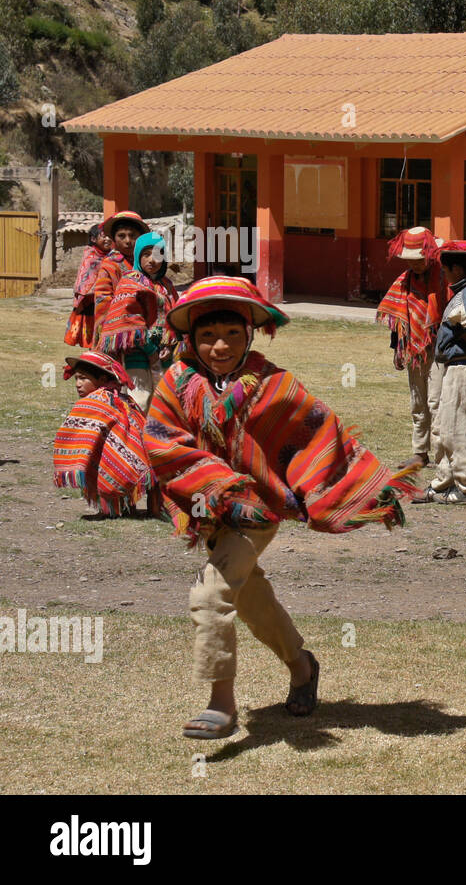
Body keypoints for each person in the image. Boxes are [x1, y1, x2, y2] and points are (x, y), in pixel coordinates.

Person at [143, 276, 417, 739]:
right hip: (210, 510)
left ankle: (220, 704)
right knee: (250, 598)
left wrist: (360, 486)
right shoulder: (176, 382)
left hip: (257, 510)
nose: (220, 346)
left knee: (209, 595)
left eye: (232, 334)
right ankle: (302, 665)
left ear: (249, 335)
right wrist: (217, 486)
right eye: (208, 336)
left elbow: (317, 431)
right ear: (191, 339)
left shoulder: (272, 382)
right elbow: (162, 442)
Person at [412, 240, 466, 505]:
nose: (444, 275)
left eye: (446, 270)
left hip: (464, 367)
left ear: (457, 270)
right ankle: (442, 483)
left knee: (457, 429)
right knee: (444, 427)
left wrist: (463, 330)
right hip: (458, 367)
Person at [53, 350, 154, 517]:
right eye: (76, 378)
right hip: (141, 463)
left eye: (83, 378)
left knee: (101, 453)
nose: (78, 384)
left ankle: (111, 507)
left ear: (101, 380)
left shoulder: (94, 401)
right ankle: (128, 506)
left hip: (123, 461)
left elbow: (71, 434)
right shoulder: (123, 399)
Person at [376, 227, 446, 469]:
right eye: (410, 260)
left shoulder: (443, 278)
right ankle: (420, 451)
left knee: (436, 401)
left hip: (439, 348)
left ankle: (441, 452)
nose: (414, 264)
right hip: (413, 349)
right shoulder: (403, 282)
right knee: (418, 401)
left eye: (419, 260)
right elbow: (398, 318)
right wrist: (397, 347)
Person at [97, 231, 179, 408]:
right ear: (138, 256)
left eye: (157, 254)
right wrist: (150, 351)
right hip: (138, 353)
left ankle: (156, 435)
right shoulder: (130, 282)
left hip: (164, 355)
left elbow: (175, 316)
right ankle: (136, 435)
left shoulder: (167, 285)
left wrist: (168, 345)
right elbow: (128, 321)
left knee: (164, 403)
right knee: (140, 400)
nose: (152, 260)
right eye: (146, 254)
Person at [90, 211, 149, 347]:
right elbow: (103, 300)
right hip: (116, 331)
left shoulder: (147, 263)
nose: (128, 241)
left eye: (132, 236)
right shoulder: (110, 265)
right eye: (121, 236)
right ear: (114, 239)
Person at [64, 221, 112, 348]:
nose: (107, 239)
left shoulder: (112, 256)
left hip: (108, 302)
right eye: (103, 236)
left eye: (109, 236)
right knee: (94, 340)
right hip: (90, 304)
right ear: (93, 239)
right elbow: (84, 283)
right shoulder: (91, 257)